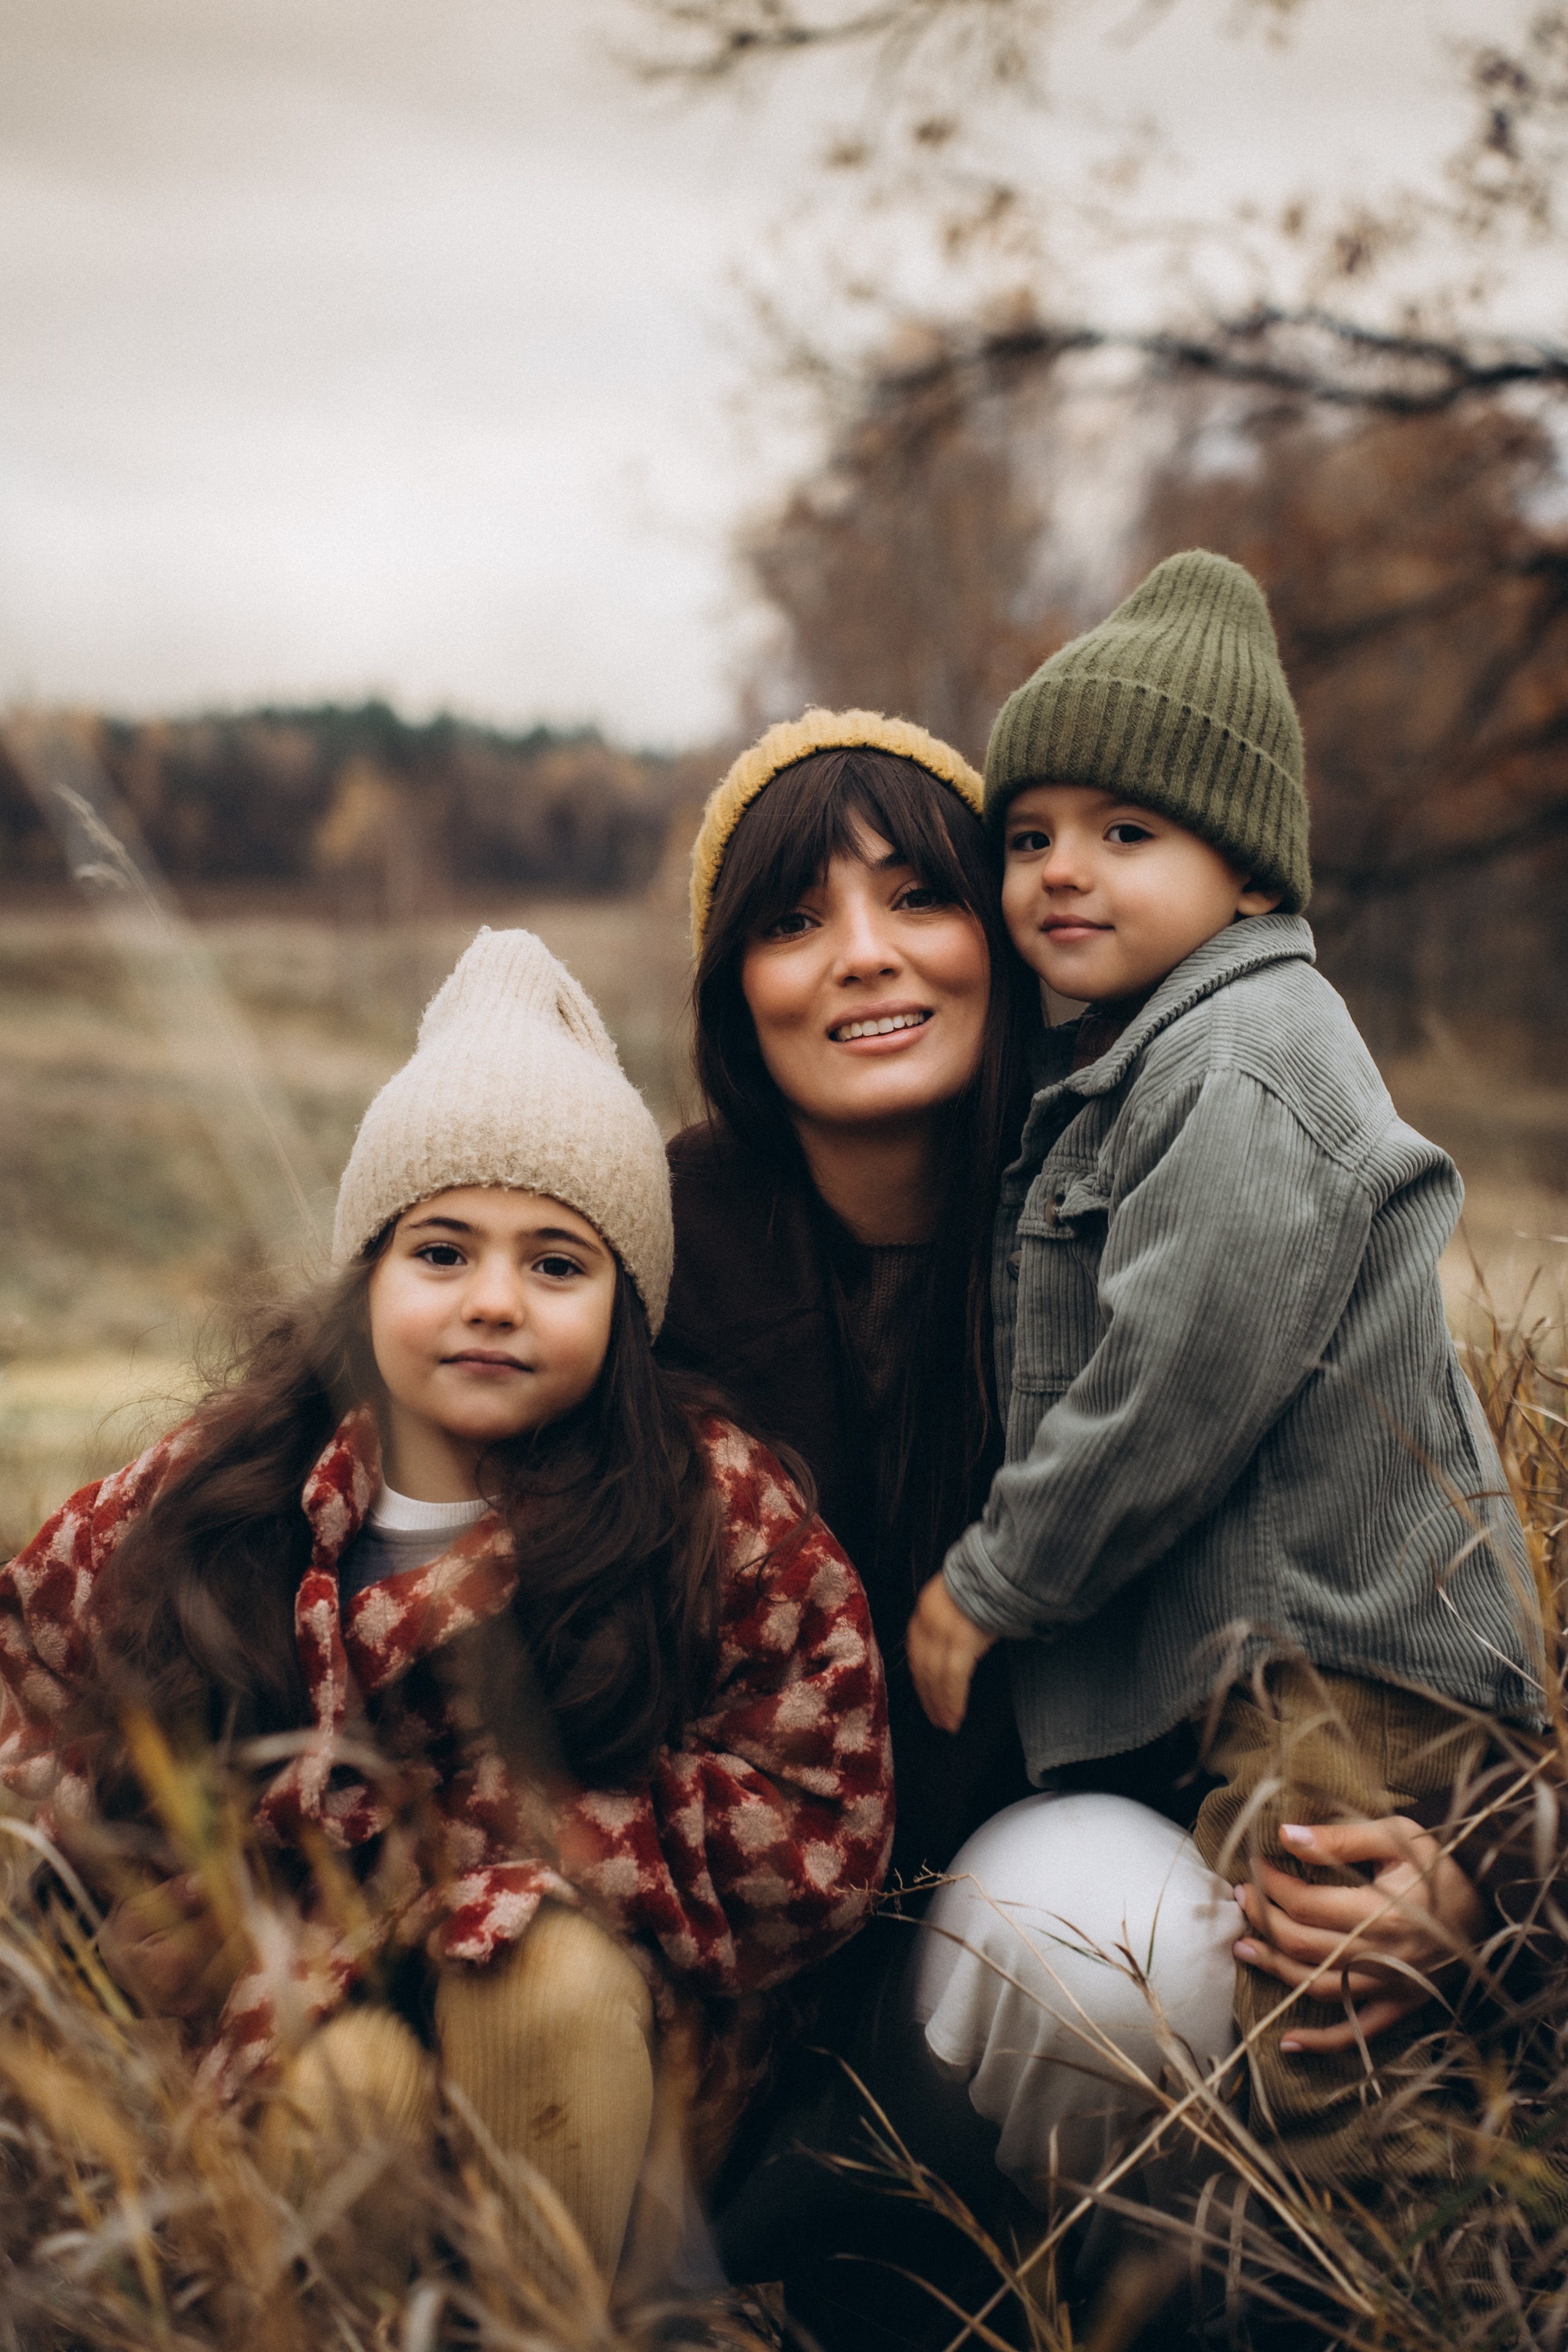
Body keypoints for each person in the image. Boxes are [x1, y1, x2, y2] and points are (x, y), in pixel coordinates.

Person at [0, 926, 893, 2291]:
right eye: (441, 1252)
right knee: (350, 2083)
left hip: (592, 2070)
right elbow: (29, 1685)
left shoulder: (708, 1507)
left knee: (530, 1972)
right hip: (286, 2039)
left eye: (554, 1264)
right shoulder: (226, 1489)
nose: (493, 1303)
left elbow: (822, 1816)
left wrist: (467, 1850)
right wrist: (120, 1891)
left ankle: (558, 2324)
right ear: (369, 1273)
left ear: (625, 1300)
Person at [905, 548, 1544, 2192]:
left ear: (1249, 880)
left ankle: (1389, 2254)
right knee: (1270, 1946)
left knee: (1314, 1978)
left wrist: (994, 1583)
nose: (1063, 871)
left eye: (1129, 835)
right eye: (1032, 835)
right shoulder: (1134, 1065)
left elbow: (1172, 1379)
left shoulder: (1246, 1056)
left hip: (1353, 1659)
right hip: (1292, 1656)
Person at [662, 709, 1242, 2342]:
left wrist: (1399, 1845)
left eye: (916, 895)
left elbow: (1347, 1554)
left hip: (1044, 1938)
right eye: (791, 921)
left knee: (1102, 1921)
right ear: (735, 993)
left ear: (1004, 936)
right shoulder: (644, 1261)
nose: (861, 957)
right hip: (750, 2022)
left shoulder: (1159, 1213)